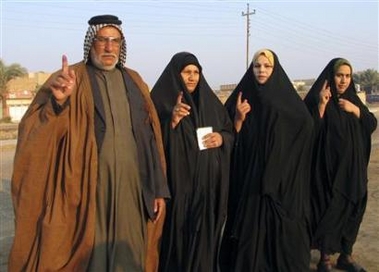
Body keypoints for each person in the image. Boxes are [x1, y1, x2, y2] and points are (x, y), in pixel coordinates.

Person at [8, 15, 170, 272]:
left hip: (133, 189)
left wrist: (158, 188)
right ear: (90, 43)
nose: (109, 48)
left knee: (131, 255)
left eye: (115, 41)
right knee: (89, 256)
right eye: (102, 40)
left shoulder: (135, 81)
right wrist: (58, 103)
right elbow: (34, 131)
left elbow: (150, 138)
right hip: (87, 188)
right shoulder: (71, 79)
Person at [219, 49, 314, 271]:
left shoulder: (286, 101)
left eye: (267, 66)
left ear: (275, 69)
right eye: (257, 66)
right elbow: (227, 135)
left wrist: (283, 165)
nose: (261, 70)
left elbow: (305, 127)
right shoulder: (242, 98)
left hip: (279, 186)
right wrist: (239, 120)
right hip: (249, 183)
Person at [150, 52, 234, 272]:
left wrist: (221, 138)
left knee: (203, 243)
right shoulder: (160, 102)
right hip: (177, 191)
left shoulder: (211, 104)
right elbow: (149, 141)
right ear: (176, 74)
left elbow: (228, 131)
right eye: (187, 72)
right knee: (176, 242)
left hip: (207, 193)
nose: (192, 77)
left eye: (196, 72)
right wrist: (172, 121)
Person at [304, 58, 377, 272]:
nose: (343, 80)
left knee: (353, 211)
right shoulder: (320, 100)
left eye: (347, 76)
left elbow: (371, 123)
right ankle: (325, 259)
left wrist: (355, 110)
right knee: (330, 211)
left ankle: (346, 255)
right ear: (331, 76)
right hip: (329, 171)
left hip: (354, 171)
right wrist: (321, 106)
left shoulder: (353, 100)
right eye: (339, 75)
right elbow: (308, 132)